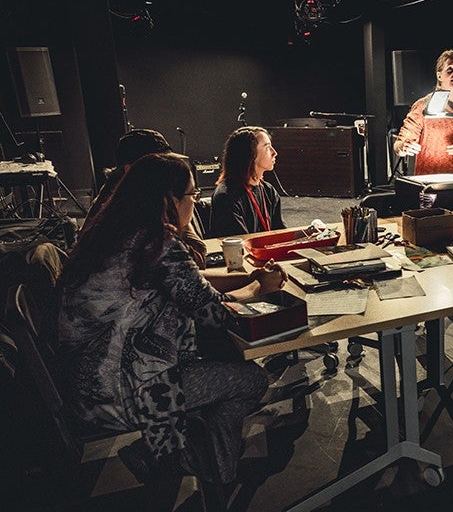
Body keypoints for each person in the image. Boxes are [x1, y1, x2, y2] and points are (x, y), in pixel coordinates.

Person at [57, 153, 287, 486]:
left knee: (222, 360)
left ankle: (202, 455)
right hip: (123, 393)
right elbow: (214, 313)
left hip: (89, 383)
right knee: (252, 380)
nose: (196, 202)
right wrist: (259, 287)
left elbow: (189, 281)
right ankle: (187, 460)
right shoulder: (157, 242)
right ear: (170, 199)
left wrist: (248, 277)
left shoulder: (119, 234)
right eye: (192, 194)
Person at [84, 129, 209, 269]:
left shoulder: (132, 198)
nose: (168, 171)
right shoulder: (122, 210)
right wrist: (179, 213)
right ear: (131, 169)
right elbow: (194, 260)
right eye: (157, 165)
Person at [393, 49, 453, 176]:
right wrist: (404, 147)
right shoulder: (423, 106)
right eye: (450, 69)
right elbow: (398, 145)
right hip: (429, 179)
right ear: (439, 75)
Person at [209, 126, 285, 238]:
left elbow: (280, 234)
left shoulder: (269, 191)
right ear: (251, 154)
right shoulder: (226, 197)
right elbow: (239, 243)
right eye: (267, 147)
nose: (274, 152)